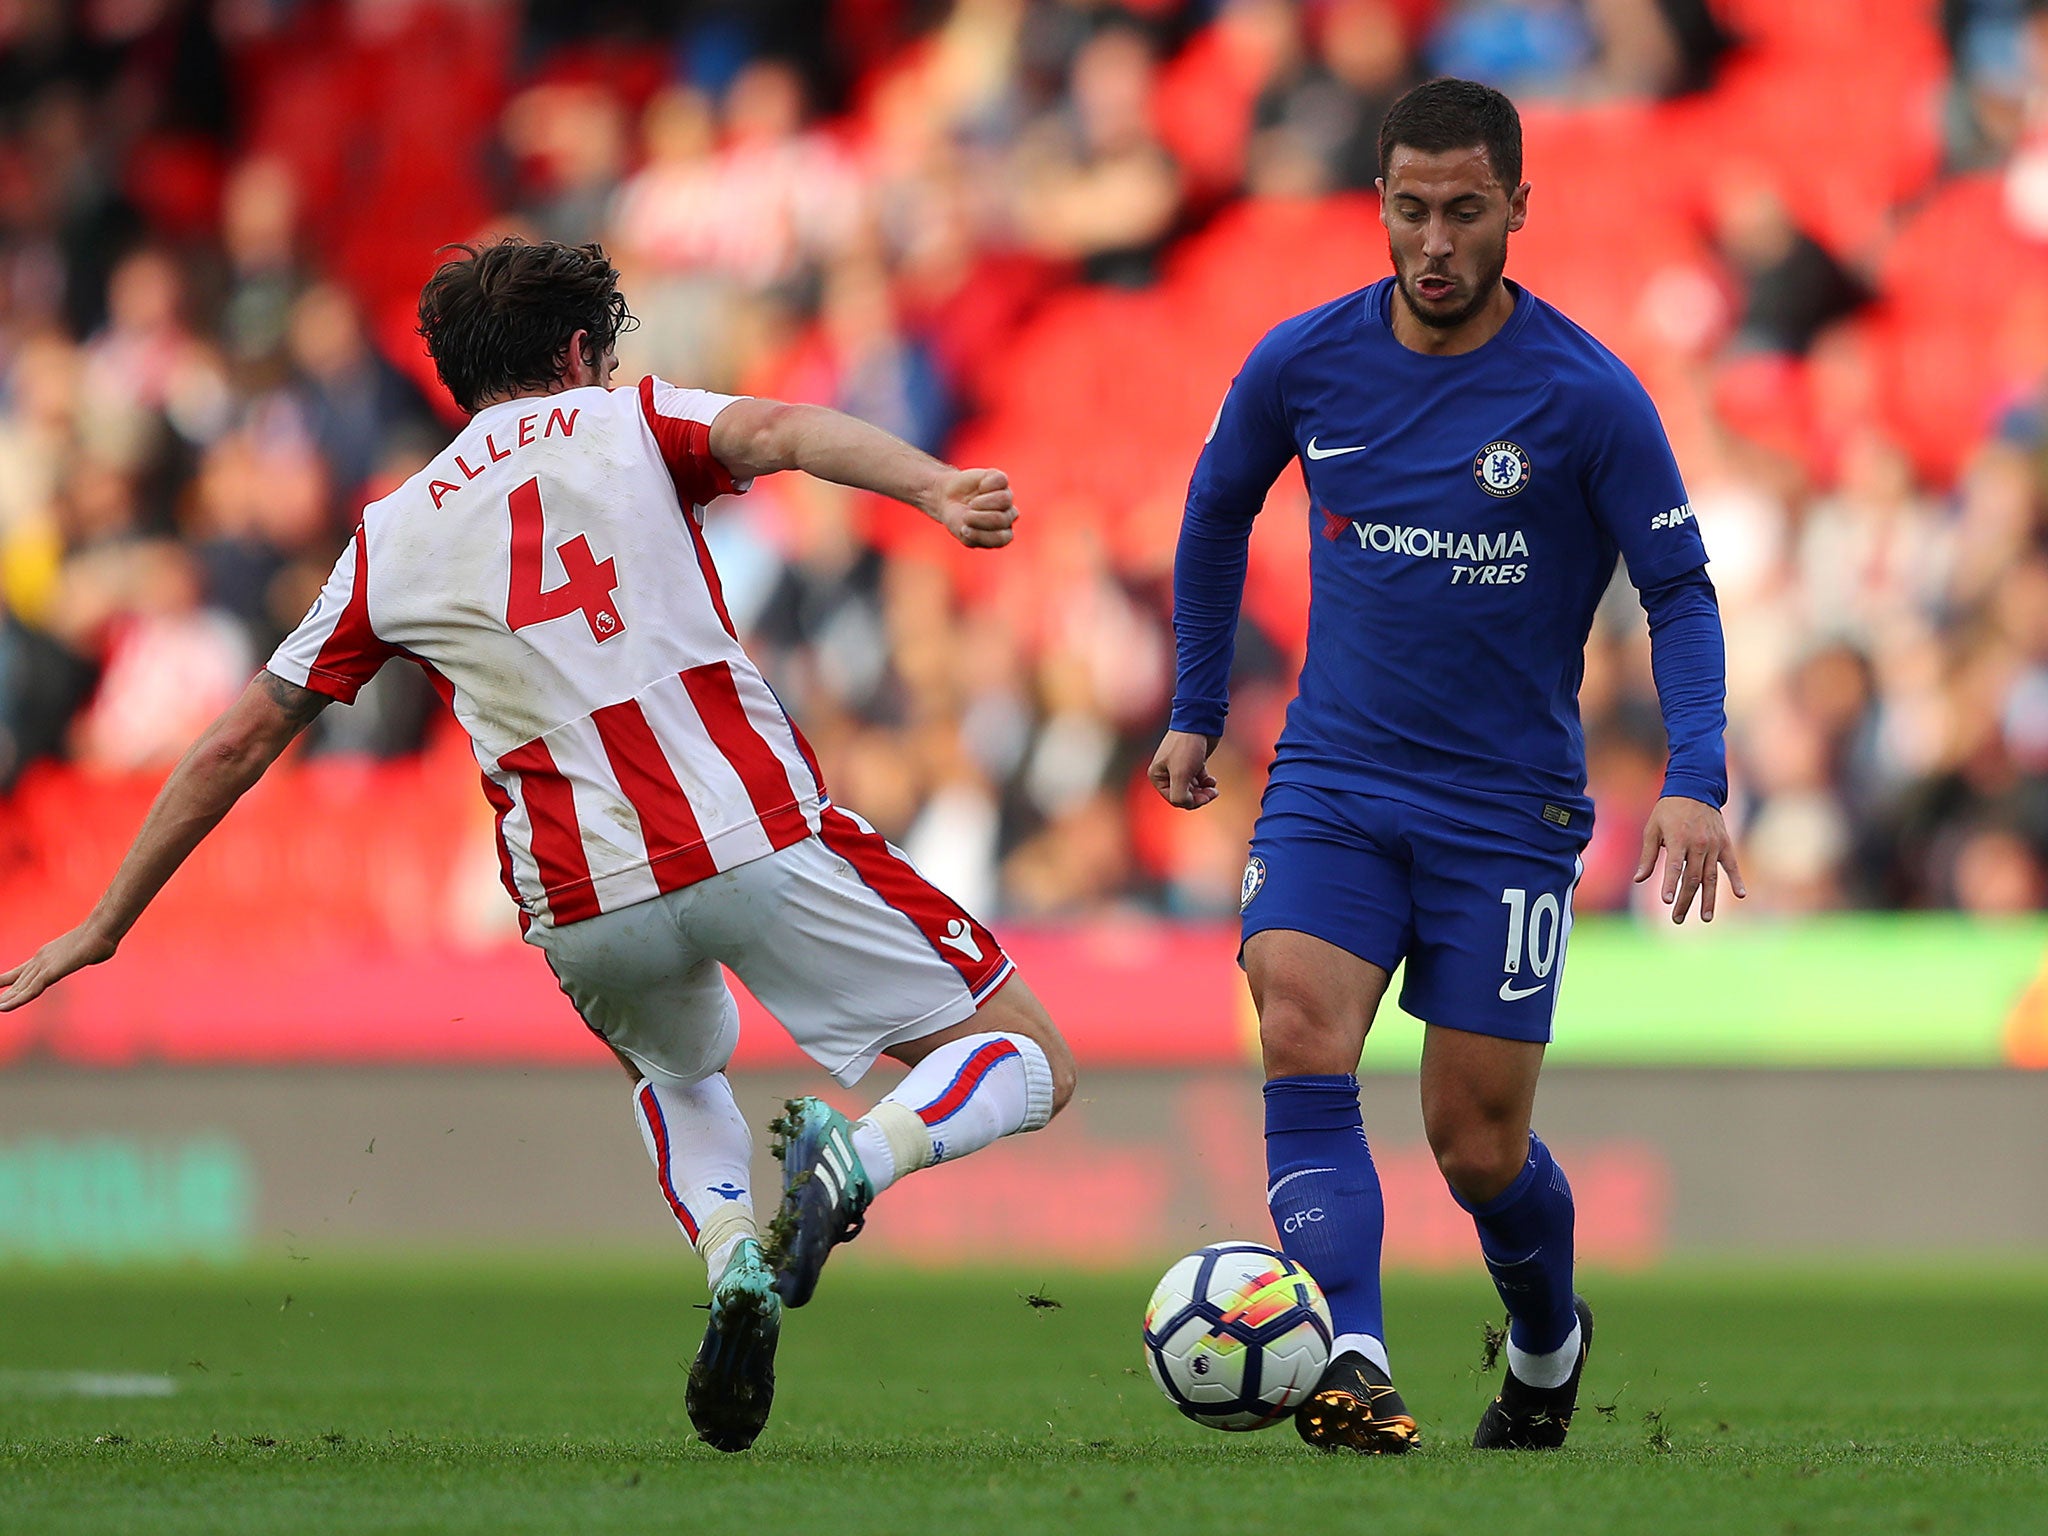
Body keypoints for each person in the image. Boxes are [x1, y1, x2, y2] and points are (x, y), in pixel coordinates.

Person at [0, 238, 1077, 1455]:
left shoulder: (389, 535)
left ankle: (733, 1267)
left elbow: (234, 745)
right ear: (576, 351)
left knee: (675, 1074)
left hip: (578, 894)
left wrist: (103, 923)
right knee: (1023, 1054)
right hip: (749, 829)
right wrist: (930, 486)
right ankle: (857, 1159)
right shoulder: (628, 423)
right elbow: (777, 428)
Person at [1148, 78, 1740, 1454]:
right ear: (1380, 206)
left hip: (1506, 812)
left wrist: (1696, 775)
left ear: (1518, 210)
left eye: (1465, 211)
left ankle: (1547, 1339)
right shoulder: (1304, 364)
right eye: (1411, 209)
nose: (1435, 241)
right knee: (1297, 1024)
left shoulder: (1588, 396)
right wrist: (1195, 703)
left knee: (1475, 1146)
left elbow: (1681, 594)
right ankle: (1352, 1353)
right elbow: (1215, 510)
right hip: (1335, 780)